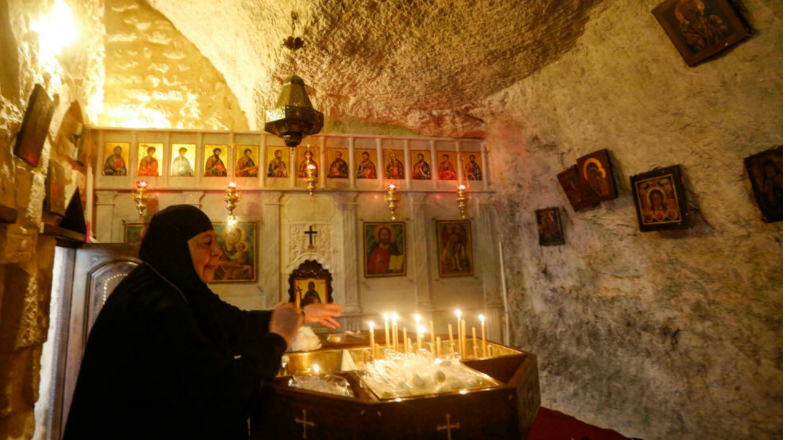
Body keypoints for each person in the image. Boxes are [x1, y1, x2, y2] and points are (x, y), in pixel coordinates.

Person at [63, 205, 343, 440]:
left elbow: (235, 324)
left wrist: (302, 314)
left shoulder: (175, 288)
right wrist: (278, 339)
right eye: (206, 243)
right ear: (175, 249)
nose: (219, 253)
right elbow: (225, 395)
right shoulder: (159, 308)